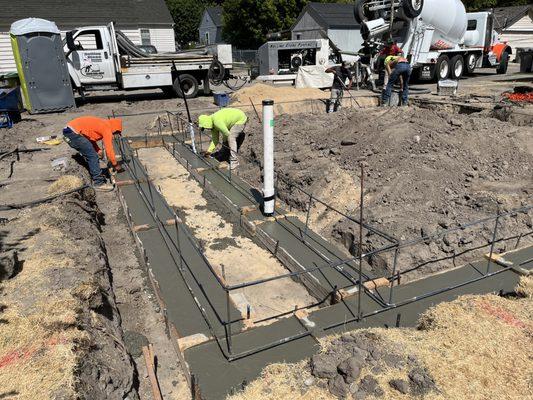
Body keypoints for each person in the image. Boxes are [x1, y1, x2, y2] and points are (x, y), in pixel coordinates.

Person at [63, 116, 123, 191]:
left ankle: (96, 173)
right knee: (93, 157)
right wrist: (115, 164)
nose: (114, 135)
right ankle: (98, 183)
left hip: (69, 131)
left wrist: (98, 150)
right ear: (115, 129)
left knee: (91, 154)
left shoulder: (104, 123)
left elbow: (89, 136)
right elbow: (109, 150)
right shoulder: (107, 129)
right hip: (73, 133)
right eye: (116, 133)